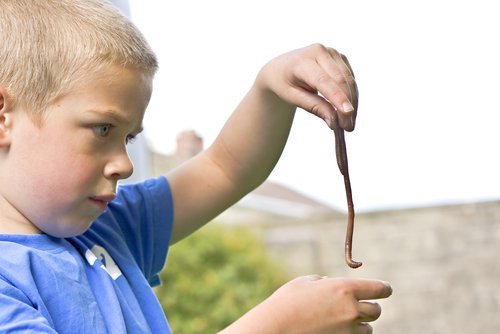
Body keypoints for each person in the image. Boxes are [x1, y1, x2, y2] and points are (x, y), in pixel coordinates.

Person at [0, 0, 392, 333]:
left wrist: (271, 88)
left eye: (129, 138)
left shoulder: (108, 227)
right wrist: (277, 325)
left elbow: (224, 169)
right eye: (102, 128)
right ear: (4, 118)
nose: (124, 164)